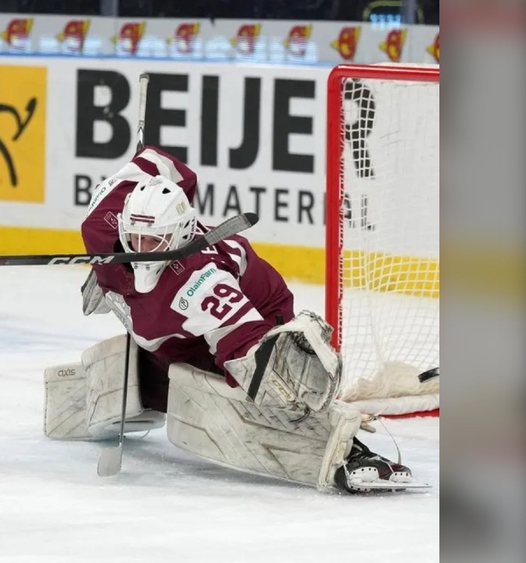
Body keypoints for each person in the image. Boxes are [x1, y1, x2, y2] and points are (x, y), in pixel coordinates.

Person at [43, 145, 422, 494]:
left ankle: (349, 450)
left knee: (260, 385)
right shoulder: (100, 227)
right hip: (170, 334)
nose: (141, 250)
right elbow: (162, 163)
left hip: (256, 314)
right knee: (155, 366)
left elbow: (247, 348)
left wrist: (277, 378)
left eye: (154, 240)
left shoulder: (199, 285)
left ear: (181, 235)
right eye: (135, 237)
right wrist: (152, 179)